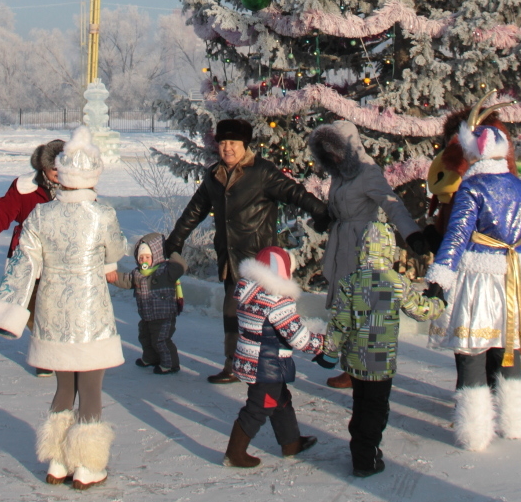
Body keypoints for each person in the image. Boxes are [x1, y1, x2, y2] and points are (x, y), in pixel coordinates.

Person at [0, 126, 127, 489]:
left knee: (64, 389)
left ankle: (58, 460)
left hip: (53, 314)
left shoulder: (41, 216)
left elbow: (24, 266)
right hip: (90, 313)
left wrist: (5, 309)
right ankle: (88, 464)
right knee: (90, 389)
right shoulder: (101, 213)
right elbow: (116, 250)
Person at [166, 118, 330, 384]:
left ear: (244, 145)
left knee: (268, 317)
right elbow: (194, 211)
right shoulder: (214, 176)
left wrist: (321, 212)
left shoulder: (261, 172)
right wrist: (175, 240)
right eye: (223, 143)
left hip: (260, 262)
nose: (227, 148)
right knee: (232, 314)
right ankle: (233, 364)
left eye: (233, 143)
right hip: (231, 259)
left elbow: (294, 192)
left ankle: (271, 364)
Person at [425, 94, 521, 452]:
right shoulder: (518, 185)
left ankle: (475, 431)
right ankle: (515, 421)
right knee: (510, 347)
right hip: (513, 276)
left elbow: (457, 237)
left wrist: (439, 277)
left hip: (479, 277)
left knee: (472, 349)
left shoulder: (472, 188)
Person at [314, 222, 445, 477]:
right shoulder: (396, 282)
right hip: (381, 362)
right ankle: (366, 458)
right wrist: (438, 301)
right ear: (389, 251)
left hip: (355, 360)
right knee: (376, 408)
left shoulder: (349, 282)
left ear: (362, 249)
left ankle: (361, 446)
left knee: (360, 405)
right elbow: (420, 310)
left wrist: (329, 351)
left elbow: (339, 322)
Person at [307, 120, 426, 389]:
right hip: (341, 240)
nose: (333, 155)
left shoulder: (368, 172)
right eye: (328, 150)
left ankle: (356, 369)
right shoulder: (339, 173)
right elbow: (338, 204)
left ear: (349, 147)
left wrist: (412, 234)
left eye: (336, 149)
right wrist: (326, 218)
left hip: (362, 244)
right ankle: (349, 364)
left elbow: (392, 204)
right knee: (343, 301)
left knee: (356, 303)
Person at [0, 138, 64, 377]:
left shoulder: (77, 191)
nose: (59, 173)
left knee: (58, 309)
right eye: (54, 168)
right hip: (29, 262)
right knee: (35, 311)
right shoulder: (25, 188)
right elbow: (2, 210)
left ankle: (59, 352)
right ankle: (44, 356)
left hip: (63, 262)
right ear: (44, 167)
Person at [223, 247, 325, 468]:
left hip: (254, 361)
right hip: (267, 365)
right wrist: (321, 344)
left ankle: (291, 443)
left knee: (281, 401)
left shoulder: (249, 293)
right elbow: (297, 337)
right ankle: (235, 453)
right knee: (260, 406)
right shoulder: (277, 301)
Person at [108, 233, 187, 375]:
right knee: (145, 337)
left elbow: (181, 267)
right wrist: (113, 277)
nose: (144, 260)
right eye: (141, 257)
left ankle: (170, 364)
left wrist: (173, 251)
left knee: (161, 340)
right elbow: (125, 280)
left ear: (155, 256)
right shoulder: (138, 274)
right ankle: (151, 358)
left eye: (147, 257)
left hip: (164, 316)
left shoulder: (166, 271)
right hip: (147, 315)